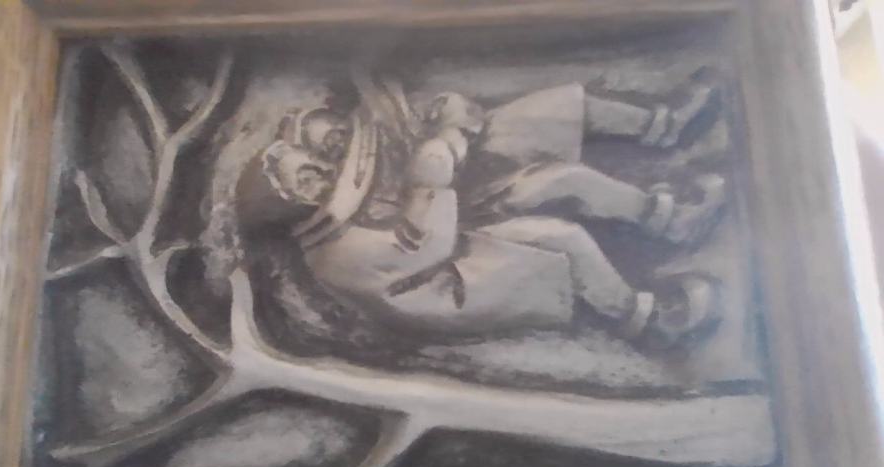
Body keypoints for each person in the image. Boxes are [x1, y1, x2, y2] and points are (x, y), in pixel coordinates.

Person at [239, 71, 726, 347]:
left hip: (456, 210)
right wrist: (437, 160)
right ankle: (645, 318)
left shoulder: (355, 165)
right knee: (562, 240)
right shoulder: (335, 255)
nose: (324, 168)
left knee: (549, 140)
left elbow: (416, 139)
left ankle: (663, 157)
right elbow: (426, 242)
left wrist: (444, 124)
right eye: (306, 179)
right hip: (458, 274)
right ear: (292, 205)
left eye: (318, 154)